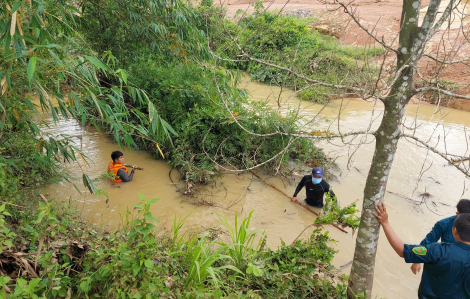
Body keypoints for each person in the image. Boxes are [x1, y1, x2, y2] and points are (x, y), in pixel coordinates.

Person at [373, 203, 470, 299]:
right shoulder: (443, 226)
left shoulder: (436, 250)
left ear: (455, 230)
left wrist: (385, 223)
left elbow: (402, 250)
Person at [411, 198, 470, 275]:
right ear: (457, 214)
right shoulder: (443, 224)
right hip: (447, 261)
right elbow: (428, 241)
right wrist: (417, 259)